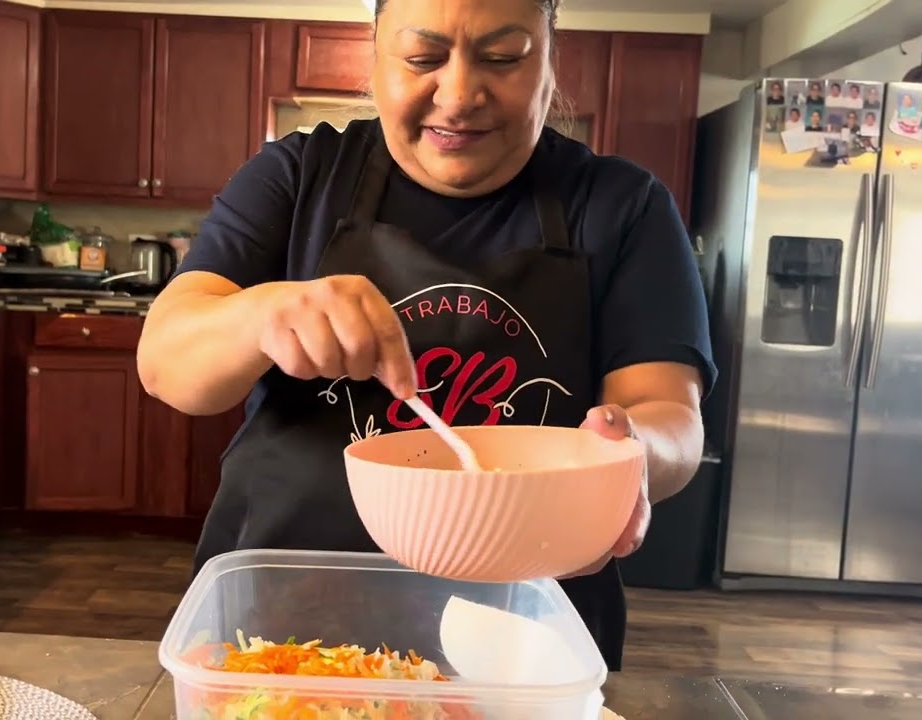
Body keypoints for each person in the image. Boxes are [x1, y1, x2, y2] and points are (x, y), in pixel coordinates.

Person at [138, 0, 714, 671]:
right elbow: (166, 362)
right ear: (374, 59)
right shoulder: (296, 177)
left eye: (504, 57)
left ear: (551, 60)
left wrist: (629, 454)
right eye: (422, 57)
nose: (460, 94)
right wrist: (259, 315)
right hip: (285, 633)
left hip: (522, 642)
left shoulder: (621, 205)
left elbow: (673, 416)